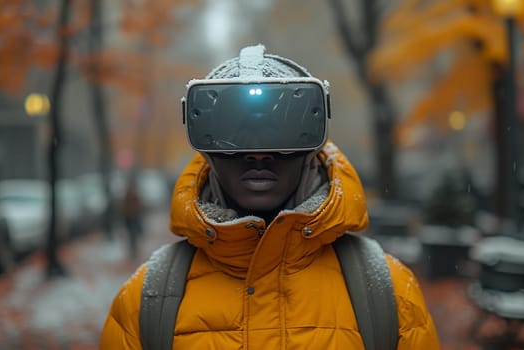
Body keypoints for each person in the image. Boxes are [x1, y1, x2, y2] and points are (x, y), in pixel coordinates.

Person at [100, 44, 440, 349]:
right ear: (208, 153)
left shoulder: (387, 294)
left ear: (312, 148)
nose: (259, 154)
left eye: (282, 131)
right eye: (233, 134)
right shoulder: (147, 300)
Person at [122, 175, 143, 259]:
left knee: (132, 235)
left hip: (132, 217)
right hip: (131, 217)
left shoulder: (130, 195)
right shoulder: (131, 195)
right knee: (132, 235)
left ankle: (133, 250)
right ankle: (133, 250)